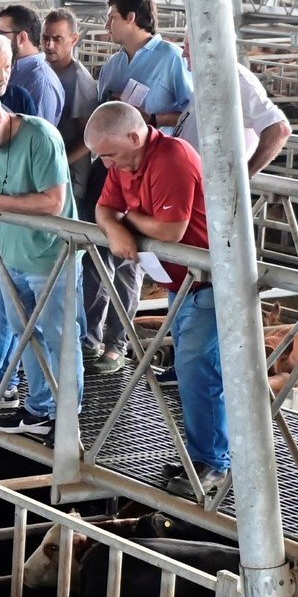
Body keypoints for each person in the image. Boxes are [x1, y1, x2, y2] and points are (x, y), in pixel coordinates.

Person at [88, 101, 221, 497]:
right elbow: (103, 207)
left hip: (209, 281)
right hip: (178, 282)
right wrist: (114, 225)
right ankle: (203, 456)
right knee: (192, 370)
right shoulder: (125, 162)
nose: (107, 164)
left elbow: (171, 230)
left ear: (134, 136)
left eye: (109, 154)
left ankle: (214, 462)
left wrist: (123, 220)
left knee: (200, 371)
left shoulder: (172, 157)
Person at [0, 84, 79, 438]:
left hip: (49, 253)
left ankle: (67, 419)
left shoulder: (41, 137)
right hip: (7, 250)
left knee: (59, 335)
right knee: (24, 332)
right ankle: (39, 409)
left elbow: (53, 201)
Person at [43, 8, 114, 365]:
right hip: (57, 176)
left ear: (74, 39)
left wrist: (57, 161)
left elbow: (89, 137)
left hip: (75, 180)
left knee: (84, 258)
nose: (51, 45)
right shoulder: (45, 72)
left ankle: (86, 335)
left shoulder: (80, 82)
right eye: (46, 38)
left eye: (58, 38)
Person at [176, 41, 291, 176]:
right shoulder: (208, 77)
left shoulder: (236, 80)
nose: (184, 53)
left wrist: (244, 176)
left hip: (214, 186)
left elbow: (279, 129)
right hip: (195, 179)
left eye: (190, 45)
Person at [96, 0, 192, 130]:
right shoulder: (112, 64)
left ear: (130, 17)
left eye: (112, 18)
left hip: (158, 149)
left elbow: (192, 113)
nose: (106, 25)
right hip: (115, 148)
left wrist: (153, 119)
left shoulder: (172, 57)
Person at [0, 5, 63, 127]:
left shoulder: (41, 81)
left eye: (1, 34)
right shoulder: (14, 69)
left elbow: (38, 138)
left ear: (22, 38)